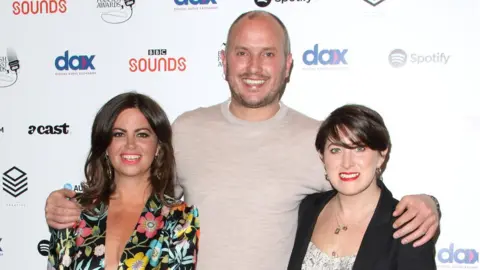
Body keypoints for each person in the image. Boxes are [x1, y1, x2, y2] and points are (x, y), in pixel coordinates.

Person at [44, 11, 440, 270]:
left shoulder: (318, 139)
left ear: (287, 65)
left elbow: (365, 193)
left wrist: (428, 204)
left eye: (268, 54)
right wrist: (69, 202)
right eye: (242, 53)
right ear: (224, 61)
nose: (254, 67)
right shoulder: (185, 129)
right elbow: (138, 192)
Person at [47, 92, 200, 270]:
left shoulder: (180, 220)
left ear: (158, 146)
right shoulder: (73, 211)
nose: (130, 144)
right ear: (105, 145)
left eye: (142, 134)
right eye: (119, 134)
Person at [287, 104, 437, 270]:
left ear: (382, 154)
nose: (347, 163)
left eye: (359, 148)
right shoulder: (306, 208)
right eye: (336, 150)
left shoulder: (410, 225)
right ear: (323, 156)